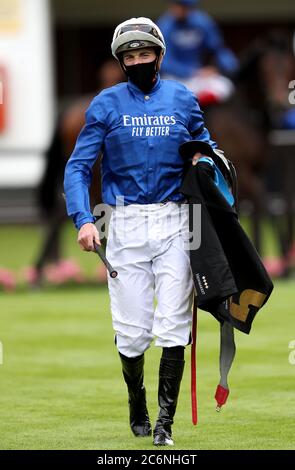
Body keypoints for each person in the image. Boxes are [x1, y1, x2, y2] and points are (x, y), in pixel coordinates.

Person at [64, 17, 216, 446]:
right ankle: (138, 401)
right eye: (128, 57)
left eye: (143, 54)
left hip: (177, 222)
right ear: (120, 61)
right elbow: (77, 167)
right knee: (132, 333)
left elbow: (207, 148)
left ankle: (165, 424)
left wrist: (205, 163)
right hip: (124, 224)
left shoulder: (184, 99)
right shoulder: (105, 104)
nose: (136, 61)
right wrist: (84, 219)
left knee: (173, 325)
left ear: (159, 56)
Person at [157, 0, 239, 80]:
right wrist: (191, 72)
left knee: (223, 86)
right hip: (173, 76)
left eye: (182, 6)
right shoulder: (165, 26)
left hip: (199, 74)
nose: (177, 9)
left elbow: (218, 49)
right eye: (175, 5)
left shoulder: (202, 22)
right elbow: (164, 62)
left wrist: (225, 67)